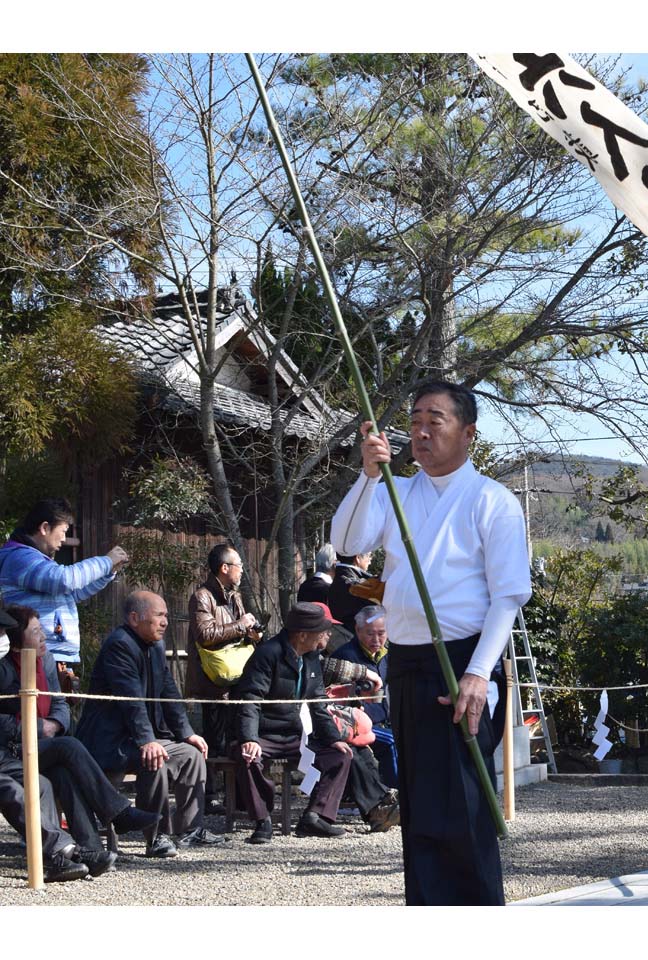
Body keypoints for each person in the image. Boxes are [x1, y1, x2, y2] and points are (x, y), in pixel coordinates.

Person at [333, 380, 531, 905]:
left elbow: (508, 596)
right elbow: (349, 542)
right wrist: (369, 476)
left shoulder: (494, 500)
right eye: (415, 418)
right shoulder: (396, 491)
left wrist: (479, 672)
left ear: (467, 432)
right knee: (419, 802)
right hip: (409, 660)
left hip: (464, 659)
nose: (421, 430)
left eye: (435, 420)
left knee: (464, 802)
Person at [1, 605, 162, 874]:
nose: (43, 637)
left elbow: (60, 704)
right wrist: (40, 727)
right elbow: (4, 721)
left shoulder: (47, 660)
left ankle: (89, 852)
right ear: (17, 639)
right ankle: (115, 815)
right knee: (69, 748)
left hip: (40, 743)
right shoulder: (4, 667)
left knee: (63, 771)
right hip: (15, 747)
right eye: (36, 632)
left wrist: (55, 723)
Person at [76, 591, 226, 858]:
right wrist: (148, 740)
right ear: (135, 618)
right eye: (159, 615)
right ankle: (157, 836)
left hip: (140, 736)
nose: (165, 621)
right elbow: (130, 699)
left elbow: (169, 692)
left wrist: (187, 733)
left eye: (166, 615)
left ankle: (191, 829)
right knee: (156, 757)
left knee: (191, 755)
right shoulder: (119, 645)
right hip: (111, 741)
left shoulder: (155, 645)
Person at [232, 602, 363, 844]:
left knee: (340, 755)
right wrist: (249, 739)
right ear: (303, 635)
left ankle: (314, 817)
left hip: (296, 735)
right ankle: (263, 820)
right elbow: (250, 699)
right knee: (247, 757)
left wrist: (334, 739)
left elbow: (319, 704)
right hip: (264, 733)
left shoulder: (312, 658)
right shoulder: (267, 654)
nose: (328, 634)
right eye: (322, 631)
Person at [0, 497, 128, 675]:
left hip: (50, 654)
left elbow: (72, 593)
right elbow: (65, 580)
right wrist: (106, 561)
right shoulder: (20, 558)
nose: (64, 539)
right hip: (37, 655)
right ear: (45, 528)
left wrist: (107, 572)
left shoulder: (33, 559)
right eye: (63, 531)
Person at [187, 543, 259, 806]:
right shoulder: (202, 596)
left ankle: (237, 797)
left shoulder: (234, 595)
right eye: (239, 565)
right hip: (212, 683)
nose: (242, 571)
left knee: (235, 738)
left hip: (237, 679)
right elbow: (205, 635)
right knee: (212, 741)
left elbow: (240, 631)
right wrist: (241, 625)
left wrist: (252, 632)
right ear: (224, 567)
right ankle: (208, 797)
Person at [333, 604, 396, 786]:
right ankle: (394, 796)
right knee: (391, 741)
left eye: (381, 633)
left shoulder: (389, 655)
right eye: (370, 633)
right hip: (355, 724)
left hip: (386, 721)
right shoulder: (345, 657)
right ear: (358, 630)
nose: (376, 639)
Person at [329, 552, 376, 634]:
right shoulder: (360, 585)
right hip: (359, 639)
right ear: (357, 558)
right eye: (368, 556)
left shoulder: (338, 578)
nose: (370, 561)